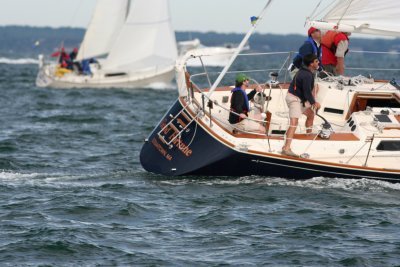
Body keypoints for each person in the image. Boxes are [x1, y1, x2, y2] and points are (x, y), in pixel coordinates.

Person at [282, 54, 321, 157]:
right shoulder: (307, 75)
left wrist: (311, 103)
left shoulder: (306, 72)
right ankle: (286, 148)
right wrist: (314, 103)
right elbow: (307, 92)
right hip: (294, 99)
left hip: (300, 100)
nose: (318, 63)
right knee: (294, 123)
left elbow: (306, 92)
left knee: (310, 114)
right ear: (311, 64)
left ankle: (308, 135)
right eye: (316, 62)